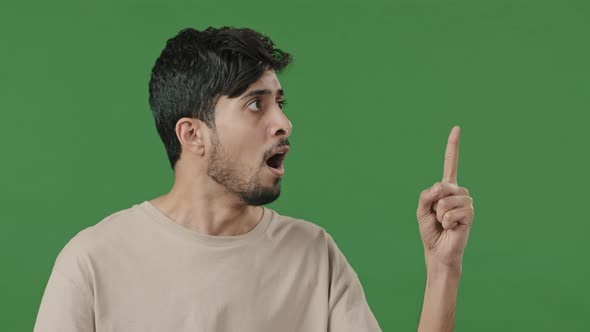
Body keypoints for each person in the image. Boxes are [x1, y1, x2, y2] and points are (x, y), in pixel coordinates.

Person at [33, 26, 474, 332]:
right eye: (255, 105)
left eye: (280, 102)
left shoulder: (313, 256)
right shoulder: (92, 262)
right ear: (193, 135)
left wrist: (443, 270)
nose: (284, 122)